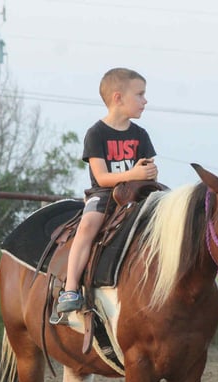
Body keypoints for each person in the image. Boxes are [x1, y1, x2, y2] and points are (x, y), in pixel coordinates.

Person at [54, 67, 158, 315]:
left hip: (139, 192)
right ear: (118, 97)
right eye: (140, 94)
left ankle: (212, 288)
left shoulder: (141, 135)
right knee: (87, 226)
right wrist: (133, 174)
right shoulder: (97, 133)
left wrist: (149, 173)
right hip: (104, 194)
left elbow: (148, 170)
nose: (145, 101)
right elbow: (101, 177)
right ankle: (70, 288)